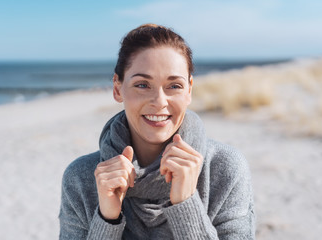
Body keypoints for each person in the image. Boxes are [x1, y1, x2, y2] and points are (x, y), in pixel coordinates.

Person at [59, 23, 255, 239]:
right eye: (142, 85)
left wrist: (186, 204)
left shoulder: (225, 168)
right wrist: (107, 219)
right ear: (117, 88)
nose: (159, 102)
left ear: (189, 90)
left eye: (174, 86)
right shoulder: (81, 177)